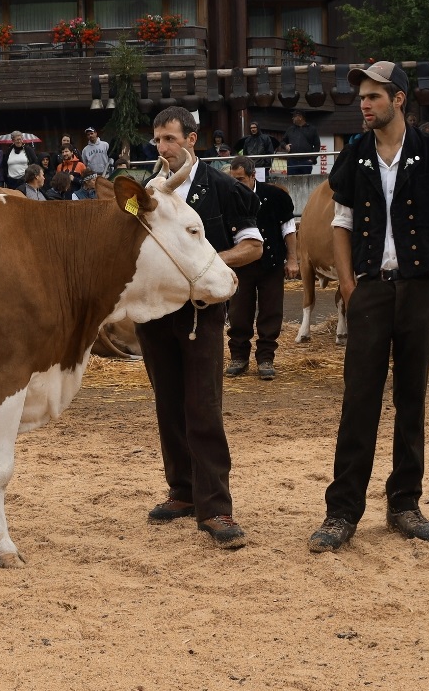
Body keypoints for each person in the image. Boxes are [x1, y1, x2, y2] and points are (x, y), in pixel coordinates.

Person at [307, 61, 429, 553]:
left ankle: (404, 504)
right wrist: (350, 287)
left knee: (411, 399)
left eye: (373, 96)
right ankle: (342, 512)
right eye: (362, 98)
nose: (364, 104)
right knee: (359, 401)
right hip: (371, 289)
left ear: (398, 99)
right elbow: (342, 224)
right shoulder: (354, 157)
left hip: (420, 289)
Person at [134, 105, 262, 550]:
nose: (163, 148)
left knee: (203, 407)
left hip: (201, 314)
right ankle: (182, 491)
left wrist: (204, 266)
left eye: (170, 139)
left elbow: (252, 247)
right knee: (168, 404)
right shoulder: (146, 192)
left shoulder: (223, 187)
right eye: (157, 140)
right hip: (153, 313)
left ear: (192, 139)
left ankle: (215, 506)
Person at [225, 155, 299, 381]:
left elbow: (288, 229)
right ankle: (239, 356)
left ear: (252, 176)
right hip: (240, 264)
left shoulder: (275, 196)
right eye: (233, 180)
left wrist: (293, 259)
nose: (237, 184)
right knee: (238, 312)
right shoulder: (227, 196)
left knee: (271, 311)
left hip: (271, 263)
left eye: (241, 179)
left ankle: (266, 357)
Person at [282, 109, 321, 176]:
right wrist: (285, 146)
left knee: (305, 182)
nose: (292, 118)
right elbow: (282, 141)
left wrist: (312, 159)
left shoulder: (312, 129)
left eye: (294, 116)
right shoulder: (290, 129)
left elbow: (317, 145)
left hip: (306, 161)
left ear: (300, 117)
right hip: (292, 161)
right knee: (291, 182)